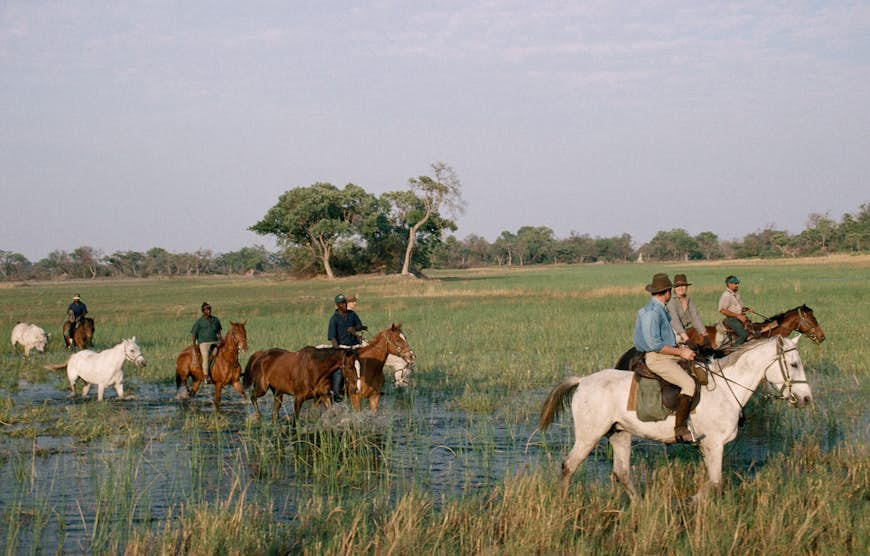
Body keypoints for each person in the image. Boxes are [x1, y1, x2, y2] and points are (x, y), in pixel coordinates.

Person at [633, 273, 700, 444]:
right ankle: (680, 429)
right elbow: (655, 344)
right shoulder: (652, 313)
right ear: (667, 292)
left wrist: (683, 343)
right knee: (689, 384)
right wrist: (681, 353)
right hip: (658, 358)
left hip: (666, 354)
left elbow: (666, 337)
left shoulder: (660, 309)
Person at [328, 293, 365, 402]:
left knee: (365, 363)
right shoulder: (334, 319)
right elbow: (332, 337)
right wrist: (338, 351)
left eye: (344, 302)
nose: (343, 305)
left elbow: (360, 325)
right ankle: (337, 393)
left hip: (355, 347)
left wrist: (354, 328)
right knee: (339, 371)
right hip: (342, 348)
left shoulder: (352, 314)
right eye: (341, 303)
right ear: (337, 305)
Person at [666, 273, 709, 347]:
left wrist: (704, 334)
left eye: (683, 285)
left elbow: (695, 316)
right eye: (677, 286)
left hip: (682, 330)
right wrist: (686, 339)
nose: (681, 288)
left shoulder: (688, 299)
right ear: (674, 288)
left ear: (686, 287)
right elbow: (674, 321)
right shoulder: (671, 301)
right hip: (670, 331)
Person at [191, 302, 222, 383]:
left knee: (219, 355)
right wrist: (194, 344)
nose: (209, 311)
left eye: (209, 309)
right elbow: (194, 333)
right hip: (204, 343)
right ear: (203, 311)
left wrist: (220, 340)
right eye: (207, 310)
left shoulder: (215, 320)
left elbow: (219, 332)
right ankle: (206, 376)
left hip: (214, 341)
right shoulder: (199, 321)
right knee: (205, 356)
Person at [718, 275, 752, 347]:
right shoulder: (726, 295)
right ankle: (733, 350)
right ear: (729, 284)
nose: (737, 285)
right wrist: (738, 316)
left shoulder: (736, 295)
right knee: (743, 335)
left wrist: (746, 309)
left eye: (737, 283)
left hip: (739, 317)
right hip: (731, 319)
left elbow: (739, 308)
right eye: (735, 283)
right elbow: (722, 310)